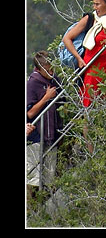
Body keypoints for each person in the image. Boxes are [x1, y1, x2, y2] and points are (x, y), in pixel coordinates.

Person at [62, 0, 106, 108]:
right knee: (88, 106)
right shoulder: (91, 19)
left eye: (97, 4)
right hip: (91, 69)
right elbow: (67, 38)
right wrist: (78, 59)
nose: (95, 7)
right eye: (94, 4)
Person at [26, 51, 64, 189]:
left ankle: (42, 206)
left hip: (52, 136)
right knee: (34, 179)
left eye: (52, 69)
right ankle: (31, 207)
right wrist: (46, 98)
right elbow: (30, 113)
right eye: (47, 70)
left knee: (49, 178)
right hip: (36, 136)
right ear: (39, 69)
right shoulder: (32, 83)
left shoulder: (56, 80)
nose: (51, 72)